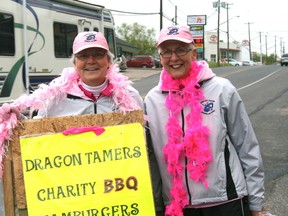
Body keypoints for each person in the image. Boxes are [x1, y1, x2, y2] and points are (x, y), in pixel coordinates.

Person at [0, 31, 144, 213]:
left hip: (117, 194)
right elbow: (34, 140)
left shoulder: (130, 97)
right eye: (83, 56)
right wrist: (16, 121)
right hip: (73, 197)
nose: (91, 61)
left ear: (109, 61)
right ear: (75, 63)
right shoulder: (54, 98)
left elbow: (144, 150)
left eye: (98, 55)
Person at [144, 25, 272, 216]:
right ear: (160, 57)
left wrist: (256, 202)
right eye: (166, 52)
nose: (174, 58)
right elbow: (151, 159)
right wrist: (155, 205)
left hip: (225, 200)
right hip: (177, 206)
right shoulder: (152, 100)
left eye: (180, 50)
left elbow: (247, 146)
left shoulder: (222, 89)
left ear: (193, 53)